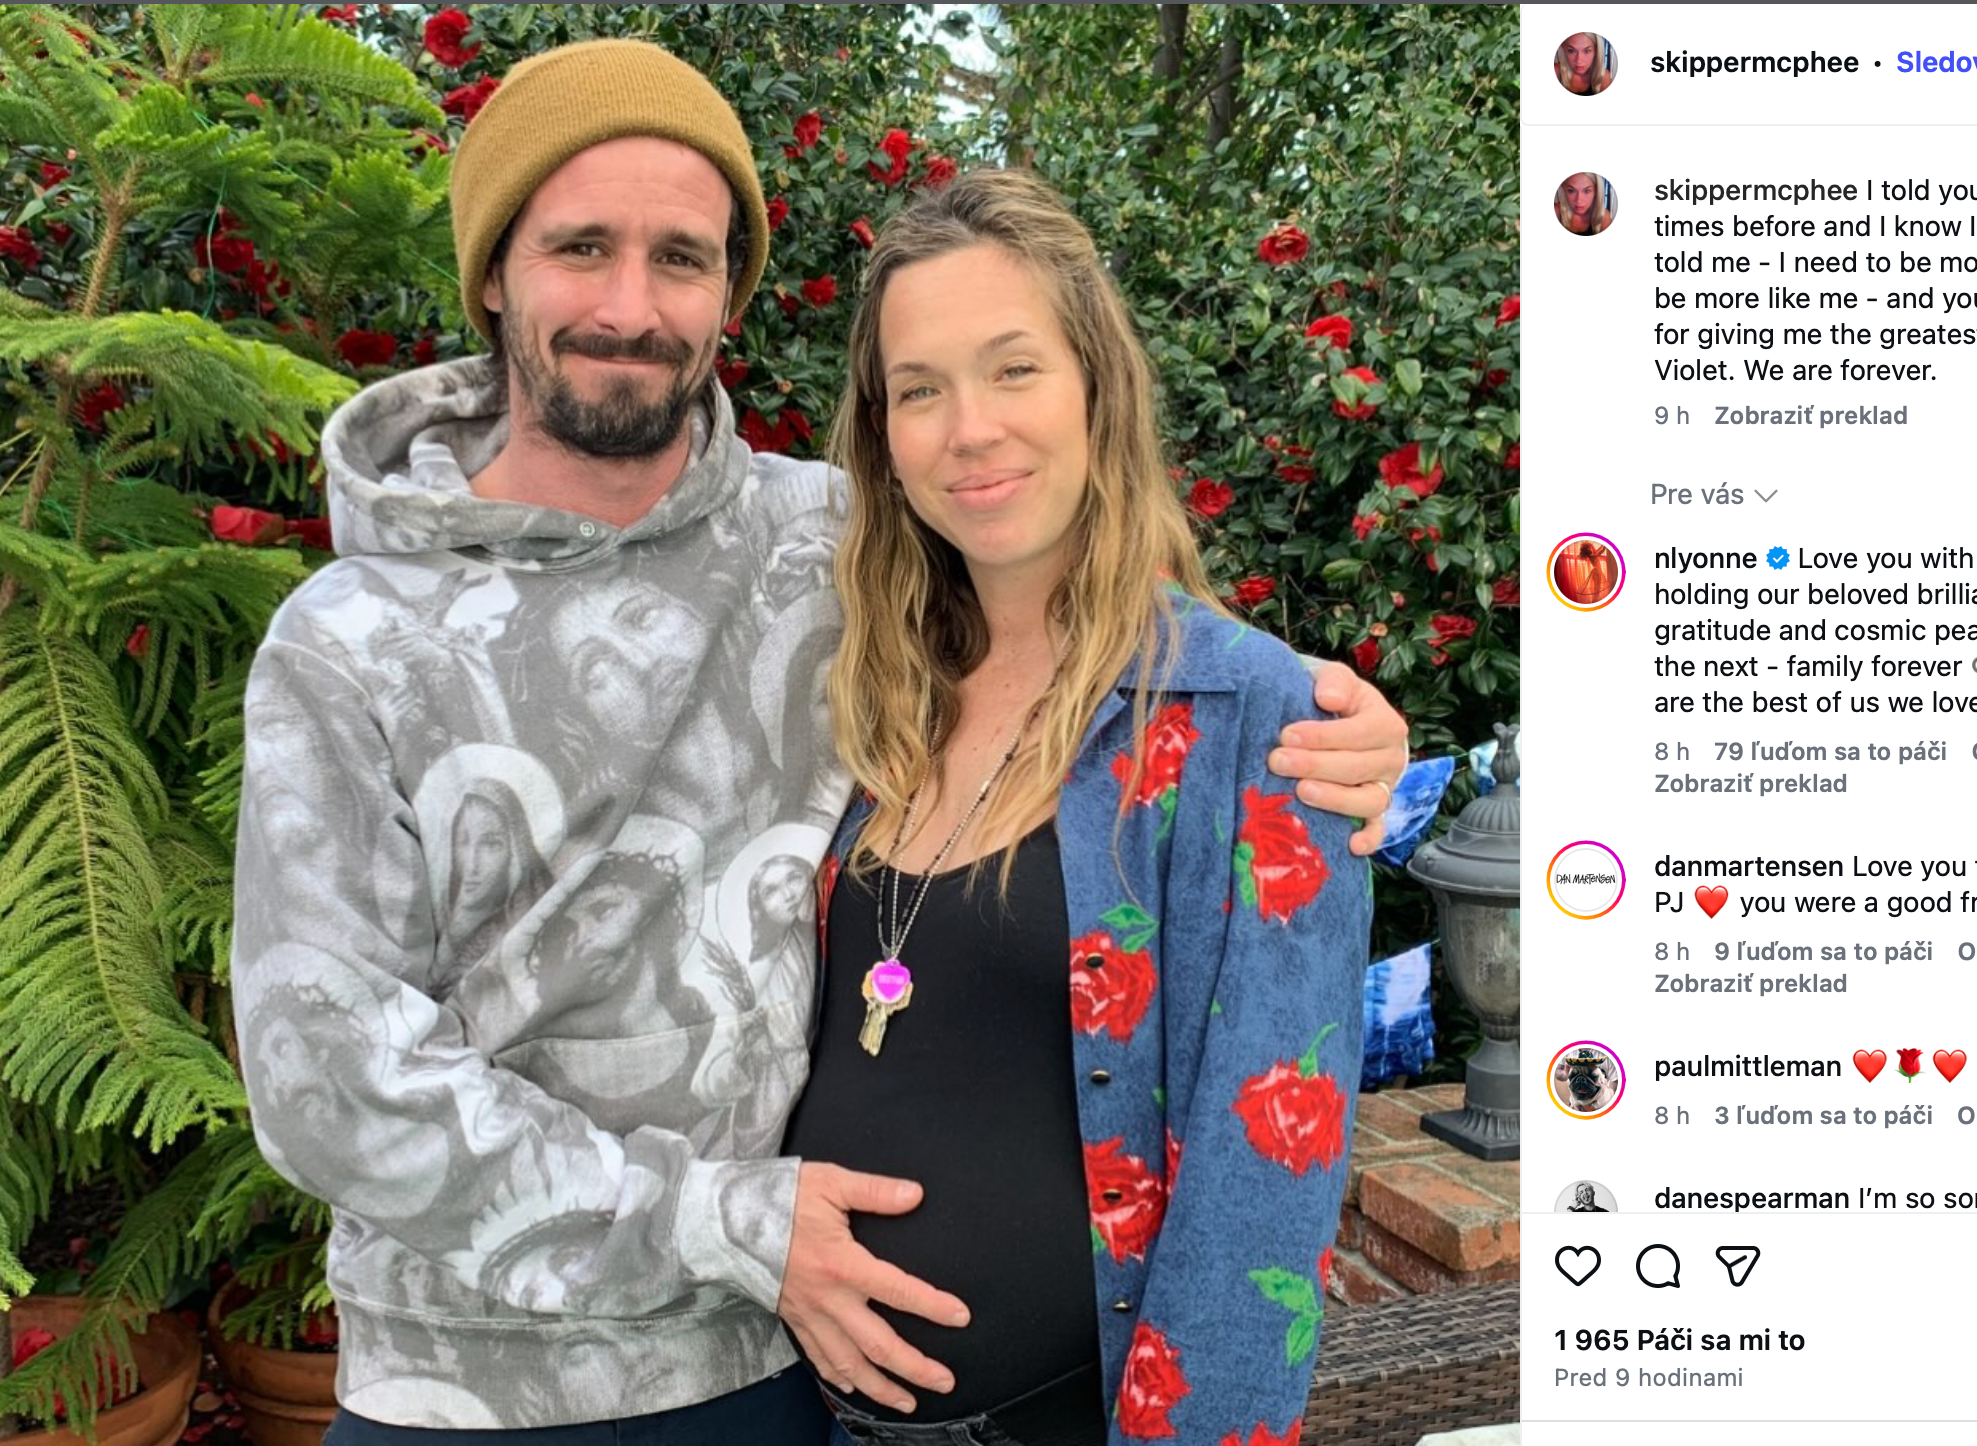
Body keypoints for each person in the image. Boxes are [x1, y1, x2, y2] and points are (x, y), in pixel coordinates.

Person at [229, 38, 1408, 1443]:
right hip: (471, 1383)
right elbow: (321, 1078)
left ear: (729, 291)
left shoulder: (831, 553)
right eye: (580, 246)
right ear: (492, 271)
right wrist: (723, 1219)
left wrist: (1312, 719)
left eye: (681, 257)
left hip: (780, 1384)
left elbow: (1074, 595)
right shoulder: (348, 641)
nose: (629, 305)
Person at [782, 171, 1372, 1446]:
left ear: (1097, 386)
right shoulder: (868, 687)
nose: (968, 429)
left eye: (1013, 370)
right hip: (807, 1414)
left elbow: (1263, 1194)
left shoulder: (1248, 720)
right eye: (919, 390)